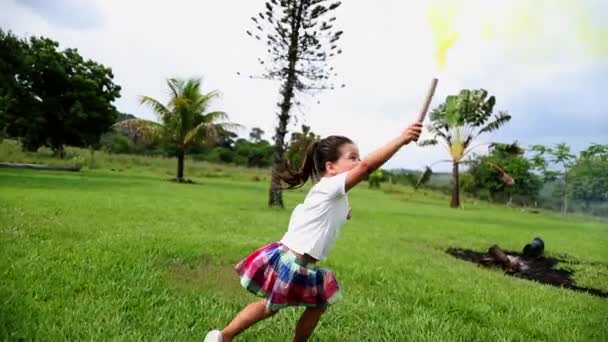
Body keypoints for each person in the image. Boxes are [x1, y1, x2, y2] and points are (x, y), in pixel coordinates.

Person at [205, 122, 423, 342]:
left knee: (308, 304)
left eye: (358, 157)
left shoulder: (334, 193)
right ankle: (223, 336)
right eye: (352, 157)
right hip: (293, 261)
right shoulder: (329, 187)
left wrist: (344, 213)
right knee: (271, 307)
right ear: (331, 167)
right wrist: (401, 139)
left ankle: (226, 337)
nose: (358, 162)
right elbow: (367, 167)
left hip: (301, 263)